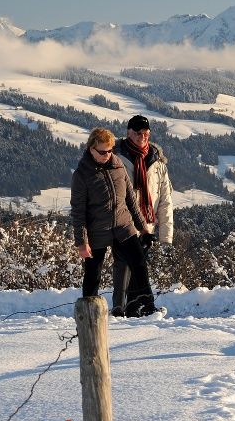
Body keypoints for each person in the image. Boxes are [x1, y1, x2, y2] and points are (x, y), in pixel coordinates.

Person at [70, 127, 163, 318]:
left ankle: (147, 306)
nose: (106, 155)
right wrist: (82, 242)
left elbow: (130, 199)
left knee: (139, 264)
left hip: (123, 225)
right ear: (91, 149)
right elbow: (78, 212)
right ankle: (89, 314)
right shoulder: (82, 175)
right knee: (93, 274)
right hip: (97, 230)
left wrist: (142, 227)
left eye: (110, 150)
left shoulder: (118, 164)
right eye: (102, 151)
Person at [113, 115, 173, 315]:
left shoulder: (157, 163)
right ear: (129, 133)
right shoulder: (117, 159)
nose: (142, 137)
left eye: (146, 133)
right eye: (138, 133)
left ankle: (132, 308)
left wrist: (166, 236)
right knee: (124, 265)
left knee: (139, 267)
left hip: (147, 225)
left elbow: (165, 200)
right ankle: (121, 309)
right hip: (124, 222)